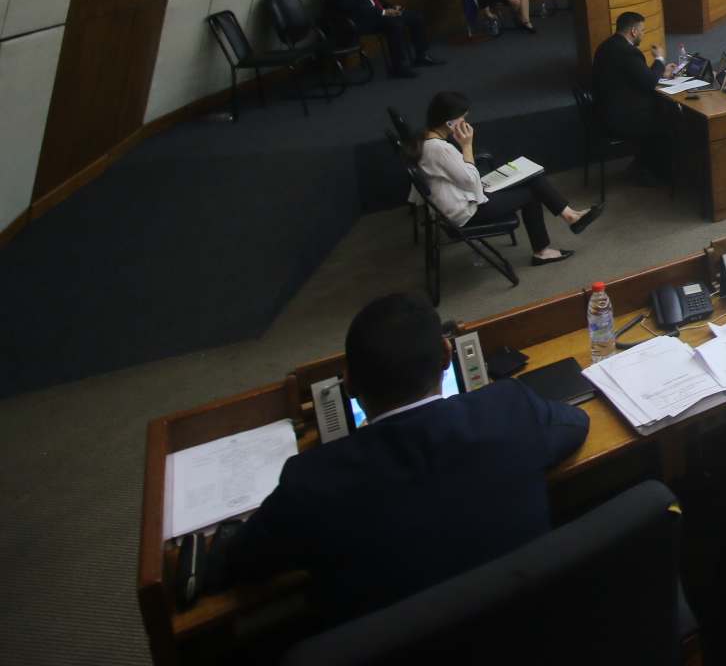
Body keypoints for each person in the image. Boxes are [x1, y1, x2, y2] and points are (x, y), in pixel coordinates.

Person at [227, 293, 589, 625]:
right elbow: (576, 424)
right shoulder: (509, 407)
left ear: (349, 384)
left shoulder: (309, 482)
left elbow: (245, 562)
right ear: (447, 356)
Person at [408, 91, 599, 264]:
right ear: (450, 121)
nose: (466, 124)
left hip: (461, 199)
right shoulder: (441, 149)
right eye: (463, 118)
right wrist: (467, 146)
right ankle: (545, 249)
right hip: (464, 211)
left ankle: (571, 217)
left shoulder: (426, 137)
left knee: (533, 177)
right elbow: (470, 181)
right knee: (532, 193)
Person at [591, 11, 677, 180]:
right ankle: (657, 174)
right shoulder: (628, 52)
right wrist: (659, 59)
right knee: (669, 124)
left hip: (604, 112)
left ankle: (642, 164)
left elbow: (637, 75)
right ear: (634, 31)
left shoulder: (607, 46)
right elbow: (649, 81)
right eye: (642, 30)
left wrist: (660, 72)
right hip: (621, 118)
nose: (643, 34)